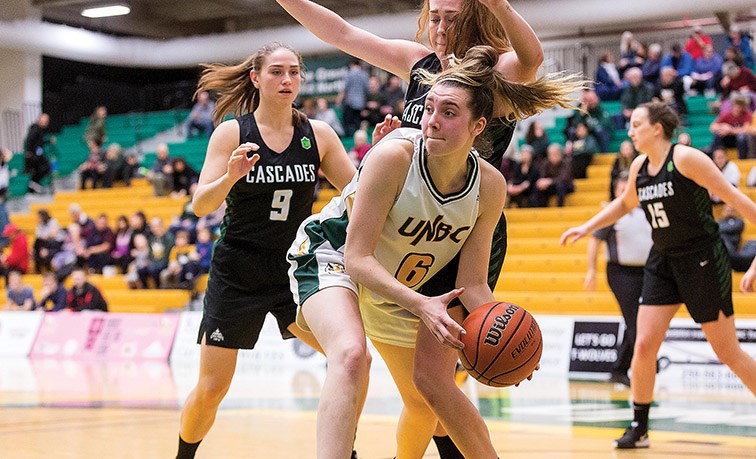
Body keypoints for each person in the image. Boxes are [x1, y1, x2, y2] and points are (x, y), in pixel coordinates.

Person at [274, 1, 576, 455]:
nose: (438, 28)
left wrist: (513, 335)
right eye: (434, 16)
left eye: (451, 18)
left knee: (430, 390)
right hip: (392, 225)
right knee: (371, 363)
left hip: (457, 228)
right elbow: (342, 33)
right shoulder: (418, 69)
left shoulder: (495, 77)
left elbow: (531, 61)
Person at [174, 41, 360, 459]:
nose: (287, 79)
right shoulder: (233, 132)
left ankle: (344, 452)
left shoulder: (320, 135)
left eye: (294, 71)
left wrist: (379, 154)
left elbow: (359, 196)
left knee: (351, 359)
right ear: (256, 78)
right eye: (277, 71)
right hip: (238, 269)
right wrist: (230, 177)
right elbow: (200, 203)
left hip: (294, 271)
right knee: (212, 388)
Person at [561, 102, 756, 449]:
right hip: (663, 260)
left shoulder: (686, 159)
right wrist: (586, 226)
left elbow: (734, 198)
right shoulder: (639, 166)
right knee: (644, 344)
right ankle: (640, 426)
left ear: (656, 128)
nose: (630, 130)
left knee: (728, 352)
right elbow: (624, 204)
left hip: (702, 260)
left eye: (636, 124)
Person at [584, 173, 653, 387]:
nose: (624, 193)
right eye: (620, 189)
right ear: (615, 191)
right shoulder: (612, 213)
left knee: (637, 321)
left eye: (628, 189)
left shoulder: (647, 211)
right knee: (635, 322)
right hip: (621, 273)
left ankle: (620, 368)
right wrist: (591, 271)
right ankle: (643, 364)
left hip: (647, 272)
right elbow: (594, 242)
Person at [22, 113, 54, 193]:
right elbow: (28, 141)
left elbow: (39, 142)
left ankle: (33, 185)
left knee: (42, 169)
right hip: (33, 155)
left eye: (46, 121)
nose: (46, 123)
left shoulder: (39, 130)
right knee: (45, 167)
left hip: (37, 154)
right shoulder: (35, 129)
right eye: (44, 121)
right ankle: (33, 184)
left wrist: (48, 141)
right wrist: (29, 152)